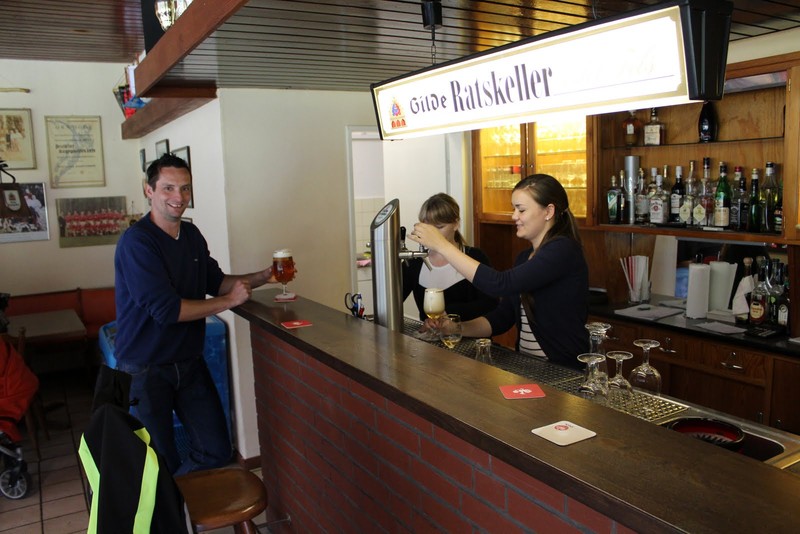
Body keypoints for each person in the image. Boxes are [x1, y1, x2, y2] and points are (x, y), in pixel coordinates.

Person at [114, 153, 280, 475]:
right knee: (159, 460)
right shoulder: (137, 243)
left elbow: (215, 283)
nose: (178, 197)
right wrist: (230, 301)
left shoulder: (191, 235)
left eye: (185, 188)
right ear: (149, 190)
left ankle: (178, 495)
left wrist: (263, 276)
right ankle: (171, 501)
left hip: (188, 360)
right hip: (144, 368)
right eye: (168, 188)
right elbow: (167, 310)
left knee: (216, 450)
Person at [408, 175, 588, 369]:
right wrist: (456, 328)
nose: (514, 216)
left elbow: (500, 284)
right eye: (514, 209)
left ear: (548, 211)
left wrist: (442, 246)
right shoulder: (525, 257)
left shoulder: (563, 249)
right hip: (531, 365)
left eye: (521, 209)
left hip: (564, 369)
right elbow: (502, 318)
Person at [403, 193, 497, 324]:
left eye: (439, 227)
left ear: (456, 224)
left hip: (468, 334)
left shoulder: (475, 257)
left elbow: (491, 303)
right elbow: (392, 298)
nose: (433, 234)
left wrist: (449, 313)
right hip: (430, 336)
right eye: (429, 228)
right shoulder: (414, 262)